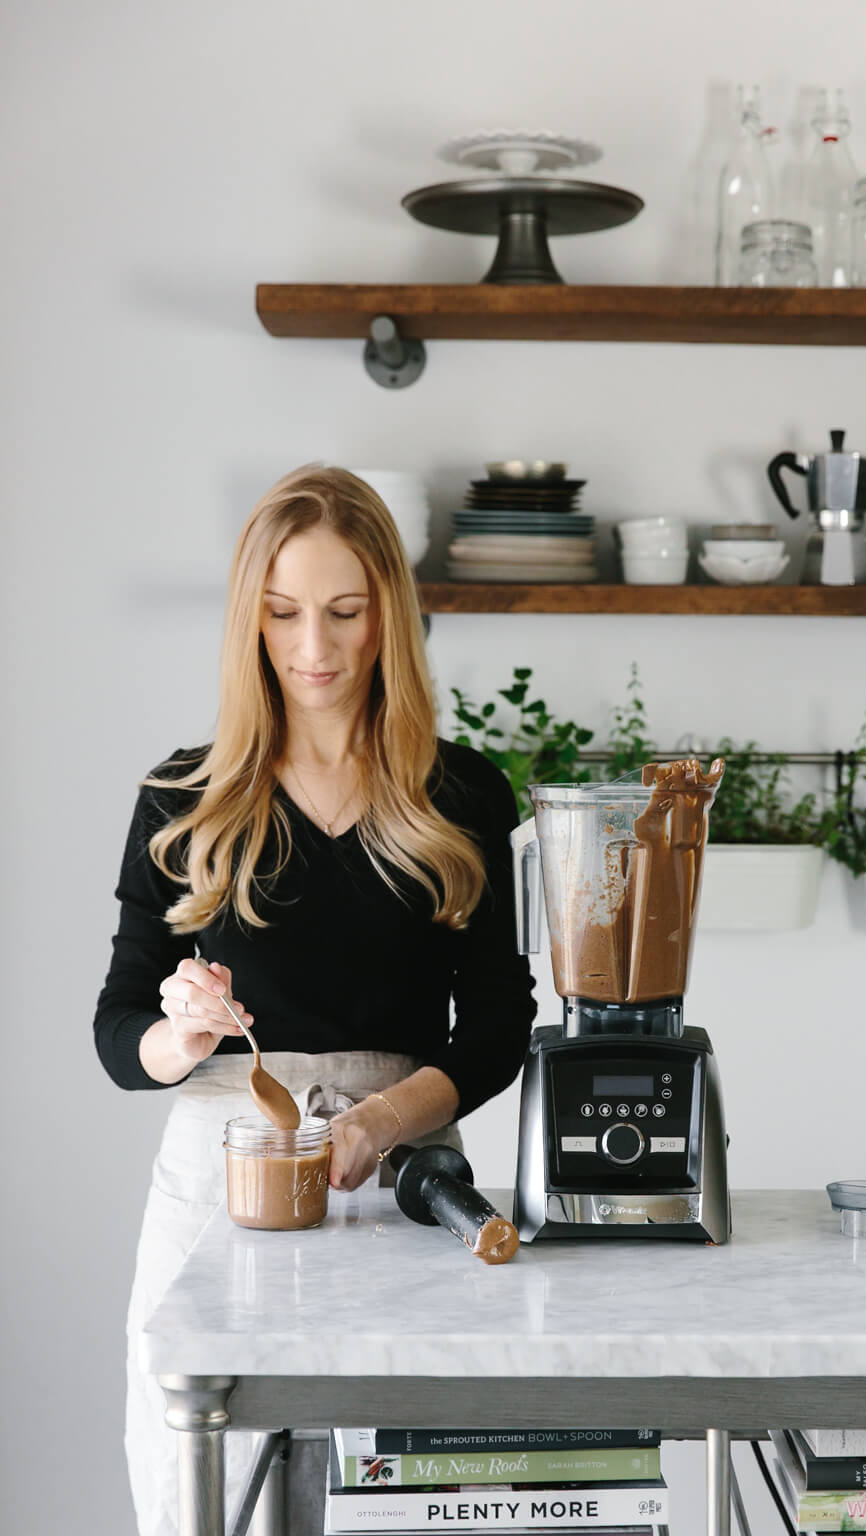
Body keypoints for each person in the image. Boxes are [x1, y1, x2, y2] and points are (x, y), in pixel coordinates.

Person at [94, 464, 537, 1536]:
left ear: (389, 609)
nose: (314, 650)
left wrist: (385, 1120)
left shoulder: (462, 794)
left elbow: (496, 1025)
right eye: (284, 614)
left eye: (345, 613)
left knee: (401, 1494)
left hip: (407, 1182)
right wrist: (181, 1028)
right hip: (219, 1179)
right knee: (202, 1486)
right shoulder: (184, 797)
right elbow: (116, 1035)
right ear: (250, 617)